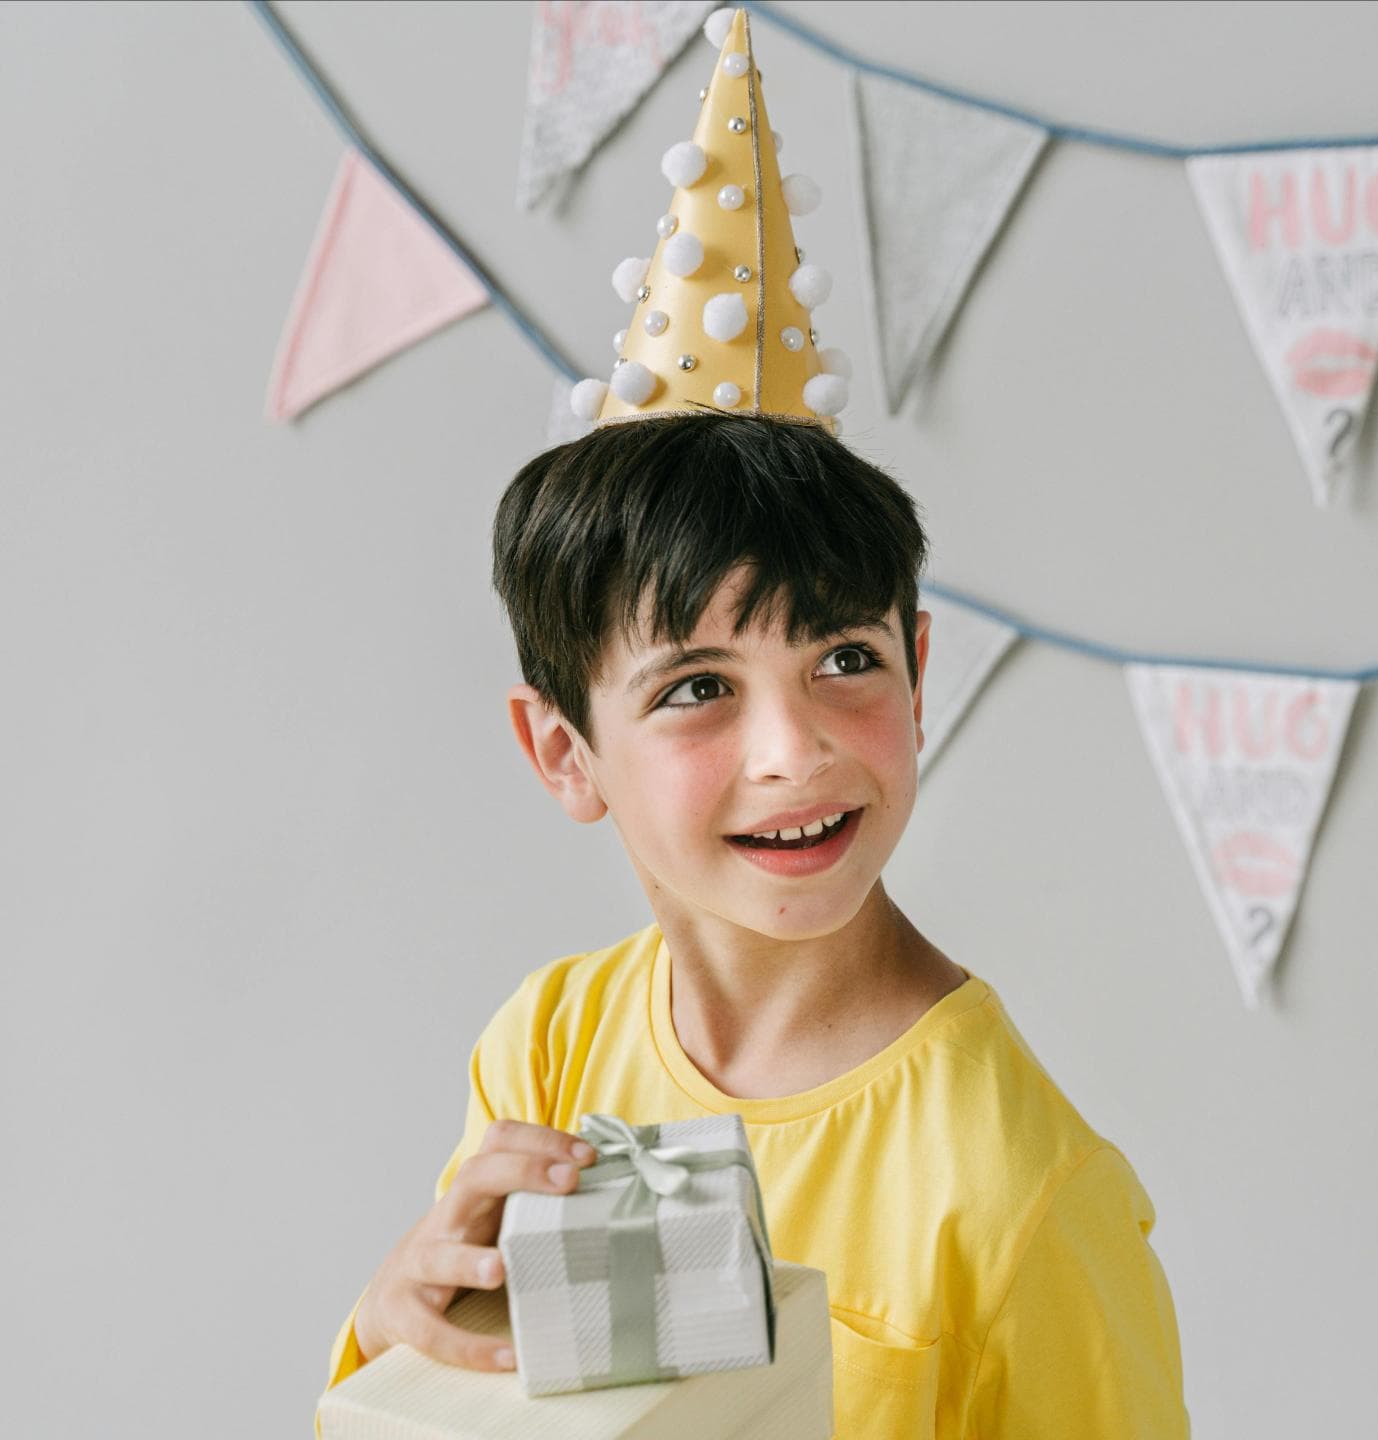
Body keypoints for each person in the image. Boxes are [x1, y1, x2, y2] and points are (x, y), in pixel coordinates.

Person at [316, 9, 1186, 1436]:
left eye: (845, 657)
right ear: (563, 752)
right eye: (699, 688)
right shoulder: (546, 1051)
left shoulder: (1014, 1188)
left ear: (920, 667)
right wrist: (387, 1327)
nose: (797, 746)